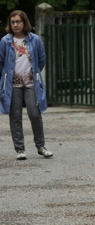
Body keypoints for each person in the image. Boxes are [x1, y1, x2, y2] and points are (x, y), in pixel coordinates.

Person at [0, 10, 52, 160]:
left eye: (18, 21)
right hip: (12, 85)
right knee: (15, 116)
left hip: (31, 83)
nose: (15, 24)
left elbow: (41, 60)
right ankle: (20, 149)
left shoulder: (34, 39)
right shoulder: (5, 41)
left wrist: (32, 74)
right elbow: (1, 62)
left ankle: (41, 146)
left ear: (24, 22)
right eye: (13, 22)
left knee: (35, 114)